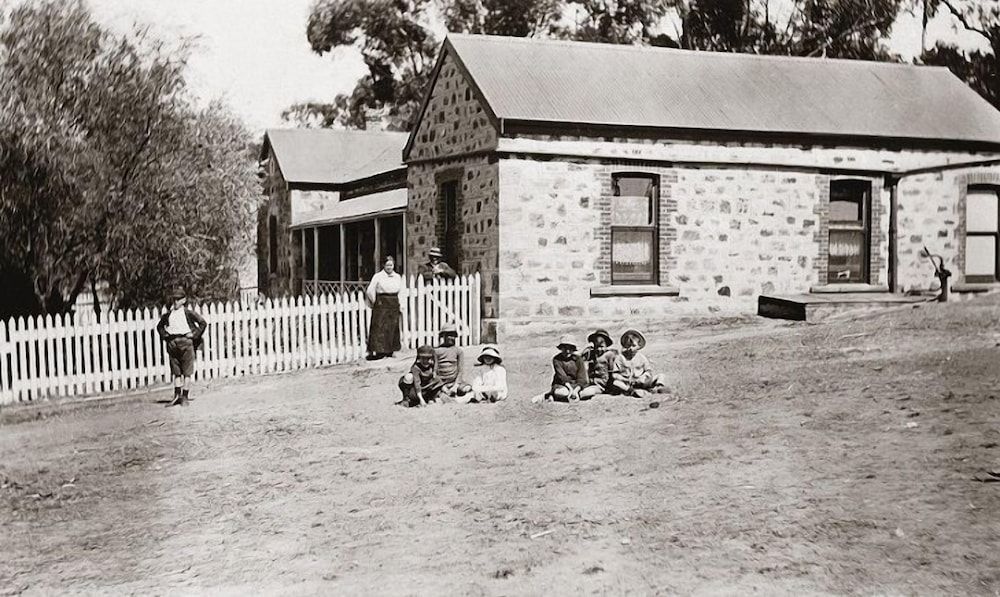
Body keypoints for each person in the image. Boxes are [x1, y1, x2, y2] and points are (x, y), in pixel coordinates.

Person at [155, 288, 208, 407]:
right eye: (174, 299)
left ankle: (185, 396)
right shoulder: (169, 314)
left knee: (187, 372)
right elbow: (160, 327)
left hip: (186, 342)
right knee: (176, 371)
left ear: (184, 300)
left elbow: (203, 323)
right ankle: (176, 396)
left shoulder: (188, 313)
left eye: (178, 299)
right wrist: (166, 336)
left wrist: (194, 335)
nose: (175, 302)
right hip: (173, 343)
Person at [365, 255, 404, 360]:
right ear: (383, 265)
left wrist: (401, 305)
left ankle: (391, 351)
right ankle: (379, 352)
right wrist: (376, 302)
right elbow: (370, 290)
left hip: (394, 303)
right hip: (382, 304)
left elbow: (401, 292)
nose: (389, 267)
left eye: (391, 265)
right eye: (387, 265)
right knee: (380, 328)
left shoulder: (397, 277)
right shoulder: (378, 276)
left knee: (392, 327)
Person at [611, 329, 667, 399]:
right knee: (616, 383)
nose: (630, 348)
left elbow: (648, 371)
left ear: (639, 346)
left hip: (642, 381)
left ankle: (658, 388)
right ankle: (632, 391)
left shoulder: (641, 357)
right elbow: (615, 374)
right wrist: (624, 379)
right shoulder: (620, 358)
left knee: (661, 376)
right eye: (628, 346)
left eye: (633, 346)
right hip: (628, 383)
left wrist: (643, 377)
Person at [435, 323, 472, 399]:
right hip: (441, 383)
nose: (450, 338)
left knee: (467, 388)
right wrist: (442, 386)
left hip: (454, 382)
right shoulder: (437, 351)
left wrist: (455, 385)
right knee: (433, 390)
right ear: (443, 336)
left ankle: (452, 392)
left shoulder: (459, 351)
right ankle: (443, 392)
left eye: (452, 335)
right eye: (448, 335)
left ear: (455, 337)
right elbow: (435, 371)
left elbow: (460, 370)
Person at [548, 335, 588, 402]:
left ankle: (572, 395)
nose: (568, 351)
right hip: (562, 385)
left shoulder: (579, 359)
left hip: (576, 385)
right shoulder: (556, 359)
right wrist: (571, 390)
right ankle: (552, 395)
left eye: (570, 348)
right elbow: (562, 377)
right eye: (565, 348)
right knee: (563, 393)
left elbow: (582, 377)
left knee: (587, 393)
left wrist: (575, 390)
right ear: (561, 348)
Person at [580, 328, 617, 399]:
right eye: (596, 347)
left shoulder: (609, 355)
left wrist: (610, 387)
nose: (599, 349)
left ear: (606, 346)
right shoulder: (590, 354)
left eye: (602, 347)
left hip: (601, 385)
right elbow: (580, 360)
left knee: (585, 393)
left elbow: (611, 372)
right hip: (590, 382)